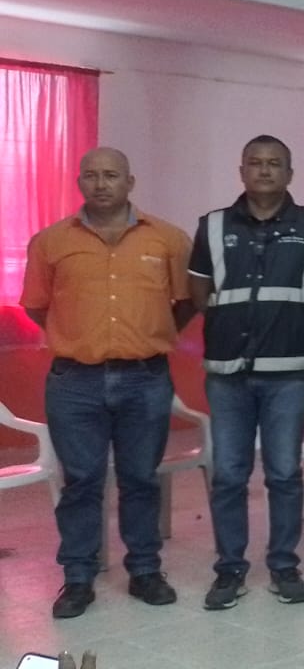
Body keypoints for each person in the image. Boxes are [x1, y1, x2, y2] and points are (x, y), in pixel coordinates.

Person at [21, 147, 195, 619]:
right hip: (75, 382)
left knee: (141, 478)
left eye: (112, 175)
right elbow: (37, 306)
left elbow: (186, 301)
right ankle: (78, 578)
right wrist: (79, 335)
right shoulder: (51, 242)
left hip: (145, 379)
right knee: (80, 482)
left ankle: (145, 571)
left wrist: (149, 333)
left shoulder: (168, 239)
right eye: (92, 175)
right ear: (79, 182)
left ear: (130, 182)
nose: (101, 184)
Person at [188, 135, 304, 610]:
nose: (265, 170)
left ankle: (283, 566)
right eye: (255, 163)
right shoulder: (212, 226)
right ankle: (230, 568)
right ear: (242, 171)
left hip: (287, 373)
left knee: (284, 473)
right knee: (229, 474)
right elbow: (199, 294)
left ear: (289, 173)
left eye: (275, 163)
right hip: (227, 373)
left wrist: (288, 324)